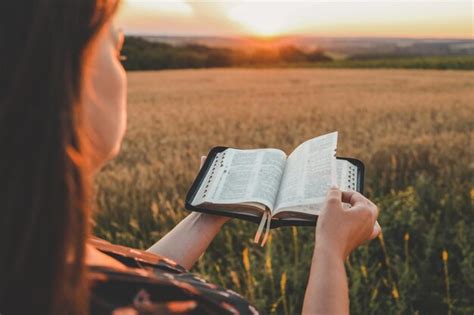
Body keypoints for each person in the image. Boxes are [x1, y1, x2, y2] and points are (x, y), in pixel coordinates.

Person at [0, 1, 381, 314]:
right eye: (117, 52)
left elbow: (136, 285)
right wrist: (331, 252)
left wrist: (207, 214)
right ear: (58, 80)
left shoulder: (30, 251)